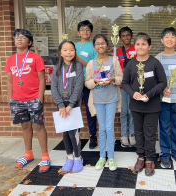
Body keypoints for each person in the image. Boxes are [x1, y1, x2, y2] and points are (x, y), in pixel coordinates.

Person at [5, 29, 50, 173]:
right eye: (16, 37)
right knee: (25, 126)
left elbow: (42, 80)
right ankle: (28, 153)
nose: (18, 39)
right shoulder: (11, 59)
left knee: (38, 126)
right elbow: (10, 81)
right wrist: (10, 98)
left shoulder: (36, 57)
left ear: (29, 42)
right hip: (17, 100)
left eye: (22, 37)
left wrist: (39, 98)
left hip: (33, 98)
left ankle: (45, 156)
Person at [122, 33, 167, 176]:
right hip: (136, 105)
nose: (140, 46)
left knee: (149, 133)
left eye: (143, 44)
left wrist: (150, 94)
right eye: (138, 44)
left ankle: (150, 158)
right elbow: (125, 82)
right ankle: (140, 156)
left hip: (152, 105)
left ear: (149, 46)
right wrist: (132, 93)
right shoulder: (130, 63)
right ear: (134, 46)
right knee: (139, 132)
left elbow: (162, 82)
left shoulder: (154, 63)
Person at [85, 34, 123, 171]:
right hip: (98, 99)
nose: (100, 45)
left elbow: (120, 79)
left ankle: (111, 157)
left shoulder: (114, 61)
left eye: (103, 43)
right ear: (94, 46)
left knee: (109, 127)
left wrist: (112, 79)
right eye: (97, 43)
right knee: (101, 128)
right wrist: (95, 81)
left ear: (107, 45)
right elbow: (87, 83)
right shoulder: (91, 63)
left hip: (111, 98)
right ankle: (102, 157)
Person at [155, 27, 176, 168]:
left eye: (172, 37)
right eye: (166, 37)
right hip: (162, 100)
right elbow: (155, 80)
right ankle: (164, 154)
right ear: (162, 40)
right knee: (162, 127)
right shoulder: (157, 59)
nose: (169, 39)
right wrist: (161, 89)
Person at [51, 40, 84, 173]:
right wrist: (60, 104)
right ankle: (69, 156)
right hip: (61, 104)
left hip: (74, 103)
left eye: (71, 49)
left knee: (73, 132)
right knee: (65, 131)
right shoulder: (56, 68)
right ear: (60, 52)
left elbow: (78, 86)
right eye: (65, 50)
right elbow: (53, 87)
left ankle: (77, 157)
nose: (68, 52)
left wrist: (70, 105)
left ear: (74, 52)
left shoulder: (78, 66)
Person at [75, 20, 98, 149]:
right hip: (74, 84)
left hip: (88, 83)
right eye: (82, 29)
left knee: (90, 110)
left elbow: (94, 66)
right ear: (78, 32)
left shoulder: (94, 47)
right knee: (75, 111)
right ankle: (75, 135)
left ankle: (93, 136)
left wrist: (80, 60)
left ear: (91, 32)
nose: (85, 31)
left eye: (88, 29)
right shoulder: (74, 46)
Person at [116, 26, 137, 148]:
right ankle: (124, 135)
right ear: (120, 38)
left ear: (131, 36)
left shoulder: (136, 48)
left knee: (132, 111)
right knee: (123, 111)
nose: (126, 38)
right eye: (123, 36)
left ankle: (132, 134)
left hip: (134, 85)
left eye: (128, 35)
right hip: (122, 84)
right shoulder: (118, 50)